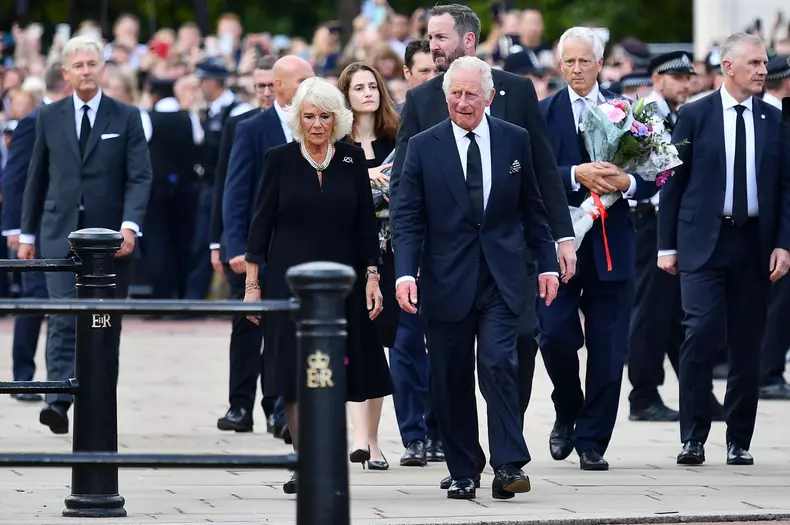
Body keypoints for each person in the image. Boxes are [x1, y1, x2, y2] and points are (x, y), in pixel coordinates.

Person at [388, 2, 575, 490]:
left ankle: (509, 464)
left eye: (472, 95)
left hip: (502, 274)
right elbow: (406, 213)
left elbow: (533, 204)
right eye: (455, 95)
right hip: (445, 275)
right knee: (449, 377)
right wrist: (405, 272)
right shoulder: (427, 143)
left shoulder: (513, 140)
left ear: (489, 97)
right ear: (445, 95)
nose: (463, 103)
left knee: (500, 362)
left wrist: (549, 261)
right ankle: (463, 470)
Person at [244, 77, 390, 494]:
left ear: (337, 119)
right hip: (289, 283)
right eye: (309, 116)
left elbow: (366, 227)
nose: (317, 124)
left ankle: (327, 453)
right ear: (298, 119)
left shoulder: (349, 160)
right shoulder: (279, 159)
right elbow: (260, 227)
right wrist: (253, 285)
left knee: (338, 373)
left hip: (343, 283)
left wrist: (373, 277)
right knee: (292, 373)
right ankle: (306, 463)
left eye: (325, 116)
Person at [658, 32, 790, 466]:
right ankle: (693, 435)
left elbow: (786, 188)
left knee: (747, 344)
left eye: (764, 63)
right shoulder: (695, 115)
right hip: (702, 244)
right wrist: (666, 245)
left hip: (754, 244)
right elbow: (672, 184)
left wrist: (783, 245)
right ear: (728, 66)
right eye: (754, 63)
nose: (762, 71)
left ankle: (739, 439)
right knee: (701, 332)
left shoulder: (775, 118)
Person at [17, 35, 152, 434]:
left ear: (103, 68)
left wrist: (130, 226)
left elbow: (140, 177)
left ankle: (98, 401)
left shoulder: (126, 116)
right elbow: (35, 178)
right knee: (61, 316)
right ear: (66, 73)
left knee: (103, 321)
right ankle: (58, 399)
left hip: (111, 239)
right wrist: (26, 234)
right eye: (78, 66)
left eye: (92, 64)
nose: (86, 71)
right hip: (58, 232)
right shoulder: (48, 116)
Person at [537, 27, 658, 471]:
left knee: (608, 350)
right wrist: (576, 173)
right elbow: (534, 170)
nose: (576, 69)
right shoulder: (542, 113)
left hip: (613, 242)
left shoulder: (626, 110)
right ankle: (567, 406)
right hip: (561, 242)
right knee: (554, 335)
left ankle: (593, 439)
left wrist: (627, 182)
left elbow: (655, 169)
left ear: (600, 62)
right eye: (568, 61)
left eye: (584, 60)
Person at [217, 55, 314, 439]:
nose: (311, 84)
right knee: (252, 327)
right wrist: (237, 246)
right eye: (303, 79)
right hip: (260, 250)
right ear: (280, 86)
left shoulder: (322, 123)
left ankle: (279, 410)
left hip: (302, 249)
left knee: (289, 333)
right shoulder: (252, 128)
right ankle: (242, 403)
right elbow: (235, 191)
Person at [338, 62, 400, 470]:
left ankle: (373, 439)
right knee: (355, 342)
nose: (367, 93)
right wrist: (368, 179)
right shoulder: (338, 145)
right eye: (358, 87)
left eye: (372, 85)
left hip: (393, 251)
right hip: (351, 253)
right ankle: (361, 440)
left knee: (381, 341)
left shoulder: (398, 137)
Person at [1, 61, 71, 402]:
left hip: (61, 227)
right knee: (34, 299)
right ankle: (24, 377)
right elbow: (15, 180)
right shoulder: (32, 122)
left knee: (57, 302)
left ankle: (57, 379)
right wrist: (15, 228)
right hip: (35, 228)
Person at [390, 39, 444, 467]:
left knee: (445, 345)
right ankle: (414, 434)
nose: (431, 79)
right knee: (407, 342)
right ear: (408, 75)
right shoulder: (413, 113)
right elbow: (402, 187)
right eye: (422, 72)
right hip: (410, 247)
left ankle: (441, 430)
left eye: (434, 70)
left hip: (450, 253)